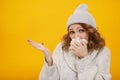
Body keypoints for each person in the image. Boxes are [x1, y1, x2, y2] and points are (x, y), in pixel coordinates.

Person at [27, 4, 111, 80]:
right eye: (72, 32)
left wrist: (84, 58)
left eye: (81, 30)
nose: (76, 36)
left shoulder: (103, 52)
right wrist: (49, 59)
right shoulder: (61, 48)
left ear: (90, 32)